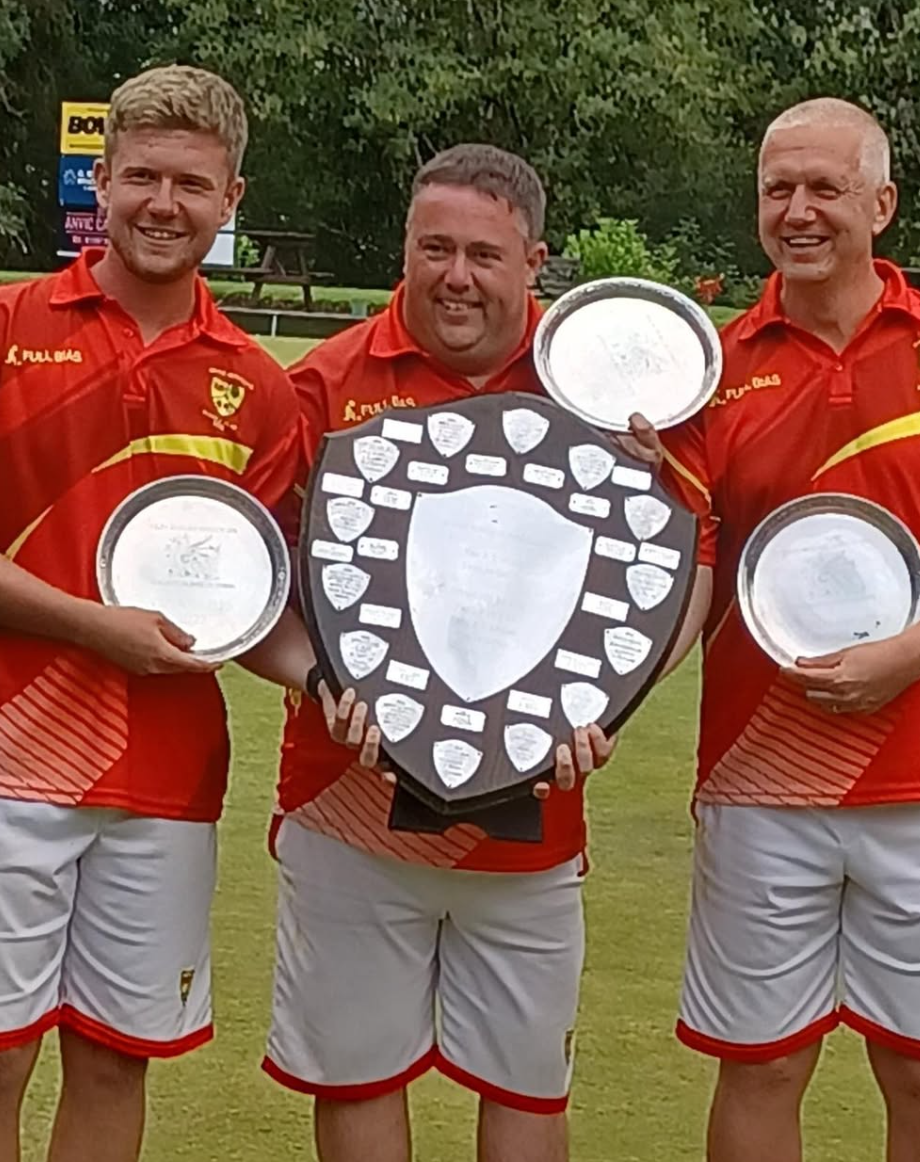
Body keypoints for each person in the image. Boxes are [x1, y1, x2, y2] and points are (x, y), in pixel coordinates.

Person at [255, 143, 700, 1162]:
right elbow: (258, 582)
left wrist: (611, 700)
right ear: (404, 249)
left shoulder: (607, 393)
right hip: (345, 799)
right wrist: (319, 681)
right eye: (434, 248)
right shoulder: (322, 382)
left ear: (533, 260)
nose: (455, 276)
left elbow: (683, 566)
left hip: (534, 813)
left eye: (484, 255)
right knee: (358, 1078)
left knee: (525, 1087)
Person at [0, 65, 302, 1162]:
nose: (162, 204)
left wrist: (350, 690)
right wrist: (95, 626)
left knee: (113, 1059)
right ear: (102, 179)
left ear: (231, 198)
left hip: (166, 782)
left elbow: (261, 605)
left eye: (191, 183)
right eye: (141, 177)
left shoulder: (258, 386)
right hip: (10, 762)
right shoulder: (9, 325)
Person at [661, 97, 920, 1162]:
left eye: (824, 188)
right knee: (763, 1062)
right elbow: (683, 574)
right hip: (758, 775)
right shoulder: (708, 371)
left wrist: (910, 652)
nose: (798, 211)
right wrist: (587, 703)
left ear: (881, 204)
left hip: (915, 777)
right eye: (778, 190)